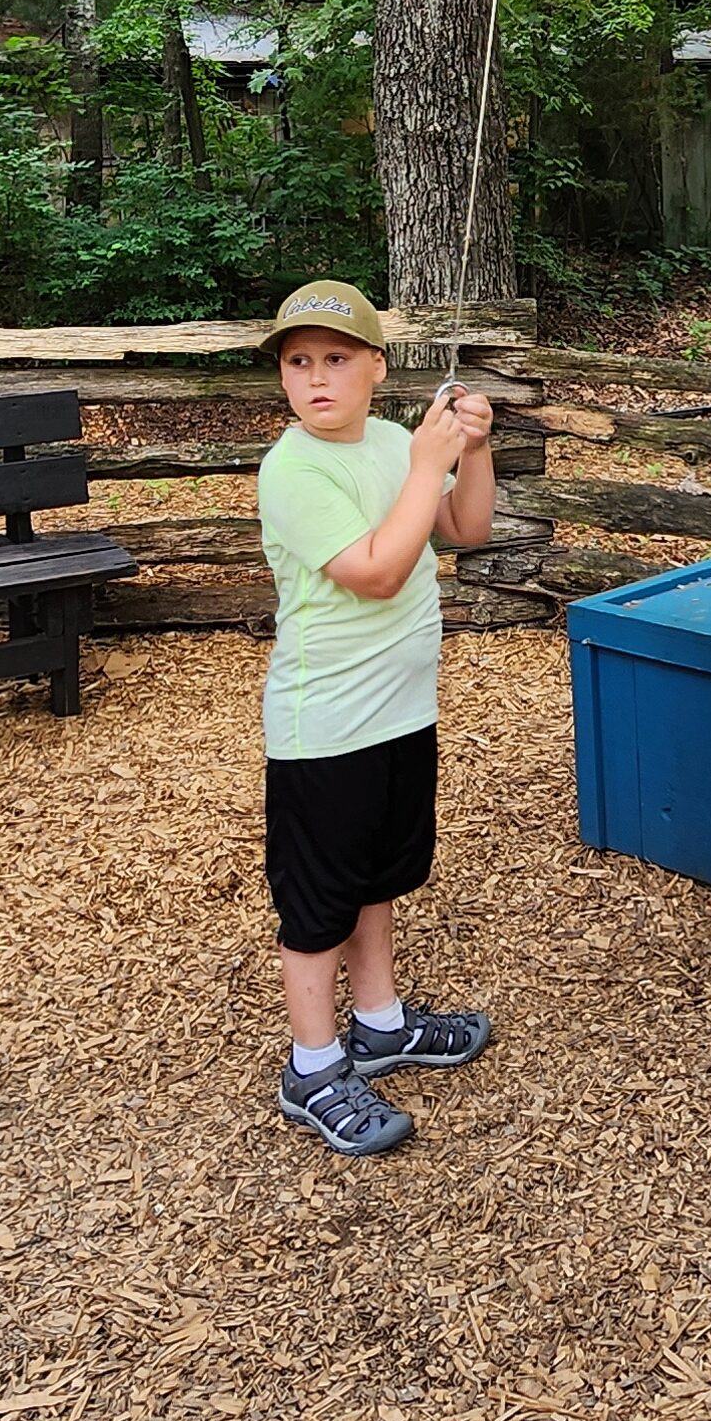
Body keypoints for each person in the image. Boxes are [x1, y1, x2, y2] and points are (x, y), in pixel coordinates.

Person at [254, 279, 498, 1157]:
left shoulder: (396, 439)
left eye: (337, 358)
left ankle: (382, 1024)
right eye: (298, 362)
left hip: (400, 712)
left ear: (376, 368)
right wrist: (428, 463)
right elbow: (377, 571)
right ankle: (313, 1067)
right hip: (326, 727)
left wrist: (471, 448)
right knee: (318, 903)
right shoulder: (293, 469)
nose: (317, 377)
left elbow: (462, 529)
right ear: (283, 379)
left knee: (378, 875)